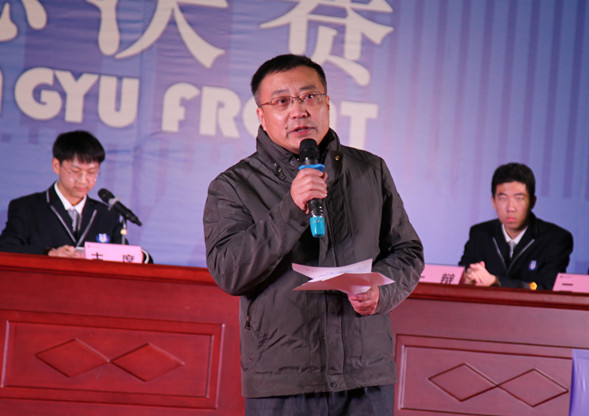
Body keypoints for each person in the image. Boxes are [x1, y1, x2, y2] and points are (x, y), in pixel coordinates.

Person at [203, 54, 424, 415]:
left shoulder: (369, 170)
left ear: (327, 104)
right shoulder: (233, 186)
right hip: (283, 379)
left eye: (309, 97)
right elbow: (229, 272)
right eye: (282, 101)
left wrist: (382, 291)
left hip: (364, 376)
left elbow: (407, 251)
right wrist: (291, 209)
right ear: (261, 115)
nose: (298, 110)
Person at [0, 130, 146, 260]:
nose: (83, 180)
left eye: (92, 172)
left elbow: (126, 257)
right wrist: (49, 253)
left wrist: (142, 256)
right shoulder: (27, 208)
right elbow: (6, 248)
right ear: (56, 166)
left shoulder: (107, 215)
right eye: (75, 171)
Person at [459, 162, 573, 290]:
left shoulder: (555, 239)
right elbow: (461, 276)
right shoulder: (480, 234)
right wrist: (469, 277)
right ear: (493, 202)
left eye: (519, 198)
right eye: (503, 198)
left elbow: (546, 288)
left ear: (532, 202)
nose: (510, 208)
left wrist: (496, 281)